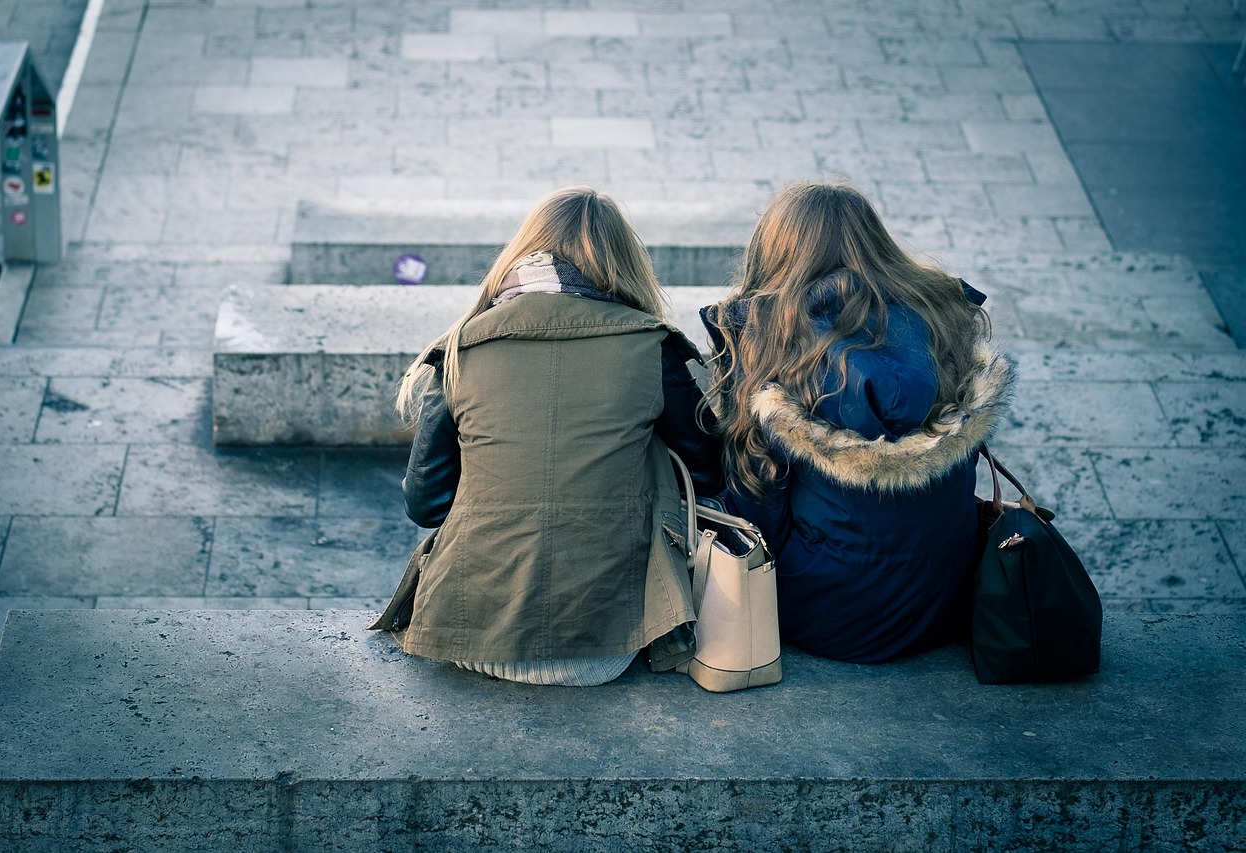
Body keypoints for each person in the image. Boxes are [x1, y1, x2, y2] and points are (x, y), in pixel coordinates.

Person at [373, 187, 722, 686]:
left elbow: (425, 506)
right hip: (608, 643)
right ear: (623, 262)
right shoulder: (654, 347)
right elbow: (708, 473)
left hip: (472, 635)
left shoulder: (460, 350)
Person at [700, 182, 1016, 664]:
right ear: (876, 242)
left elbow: (755, 507)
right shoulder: (946, 320)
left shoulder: (771, 343)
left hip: (826, 614)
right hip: (945, 600)